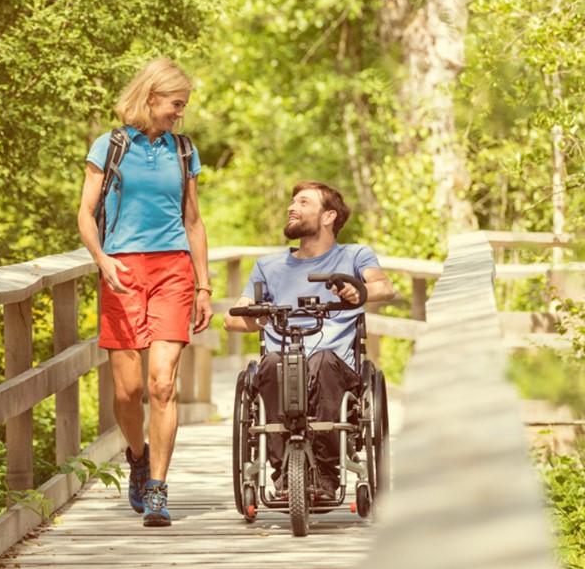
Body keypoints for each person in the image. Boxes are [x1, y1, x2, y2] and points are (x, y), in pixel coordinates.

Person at [76, 58, 214, 527]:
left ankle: (157, 488)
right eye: (176, 105)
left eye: (183, 106)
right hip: (122, 271)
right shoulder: (110, 145)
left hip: (173, 269)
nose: (180, 114)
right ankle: (137, 456)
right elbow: (85, 212)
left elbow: (193, 221)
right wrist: (102, 260)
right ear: (151, 97)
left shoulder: (183, 150)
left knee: (161, 384)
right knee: (128, 390)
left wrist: (204, 285)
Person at [222, 181, 395, 499]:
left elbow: (385, 287)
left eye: (303, 202)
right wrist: (259, 315)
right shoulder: (269, 267)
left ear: (328, 216)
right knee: (274, 363)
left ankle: (326, 475)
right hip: (282, 364)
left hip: (334, 368)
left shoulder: (354, 255)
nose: (292, 207)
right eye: (292, 202)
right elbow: (232, 318)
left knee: (322, 360)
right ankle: (285, 475)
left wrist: (360, 291)